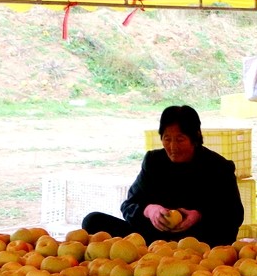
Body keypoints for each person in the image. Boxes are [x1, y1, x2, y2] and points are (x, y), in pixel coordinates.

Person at [82, 105, 244, 246]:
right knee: (93, 220)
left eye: (180, 140)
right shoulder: (153, 161)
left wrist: (199, 215)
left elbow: (234, 215)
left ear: (195, 138)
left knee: (221, 234)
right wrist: (149, 210)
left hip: (197, 241)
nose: (173, 147)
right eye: (167, 139)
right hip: (154, 239)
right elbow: (129, 205)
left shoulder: (218, 166)